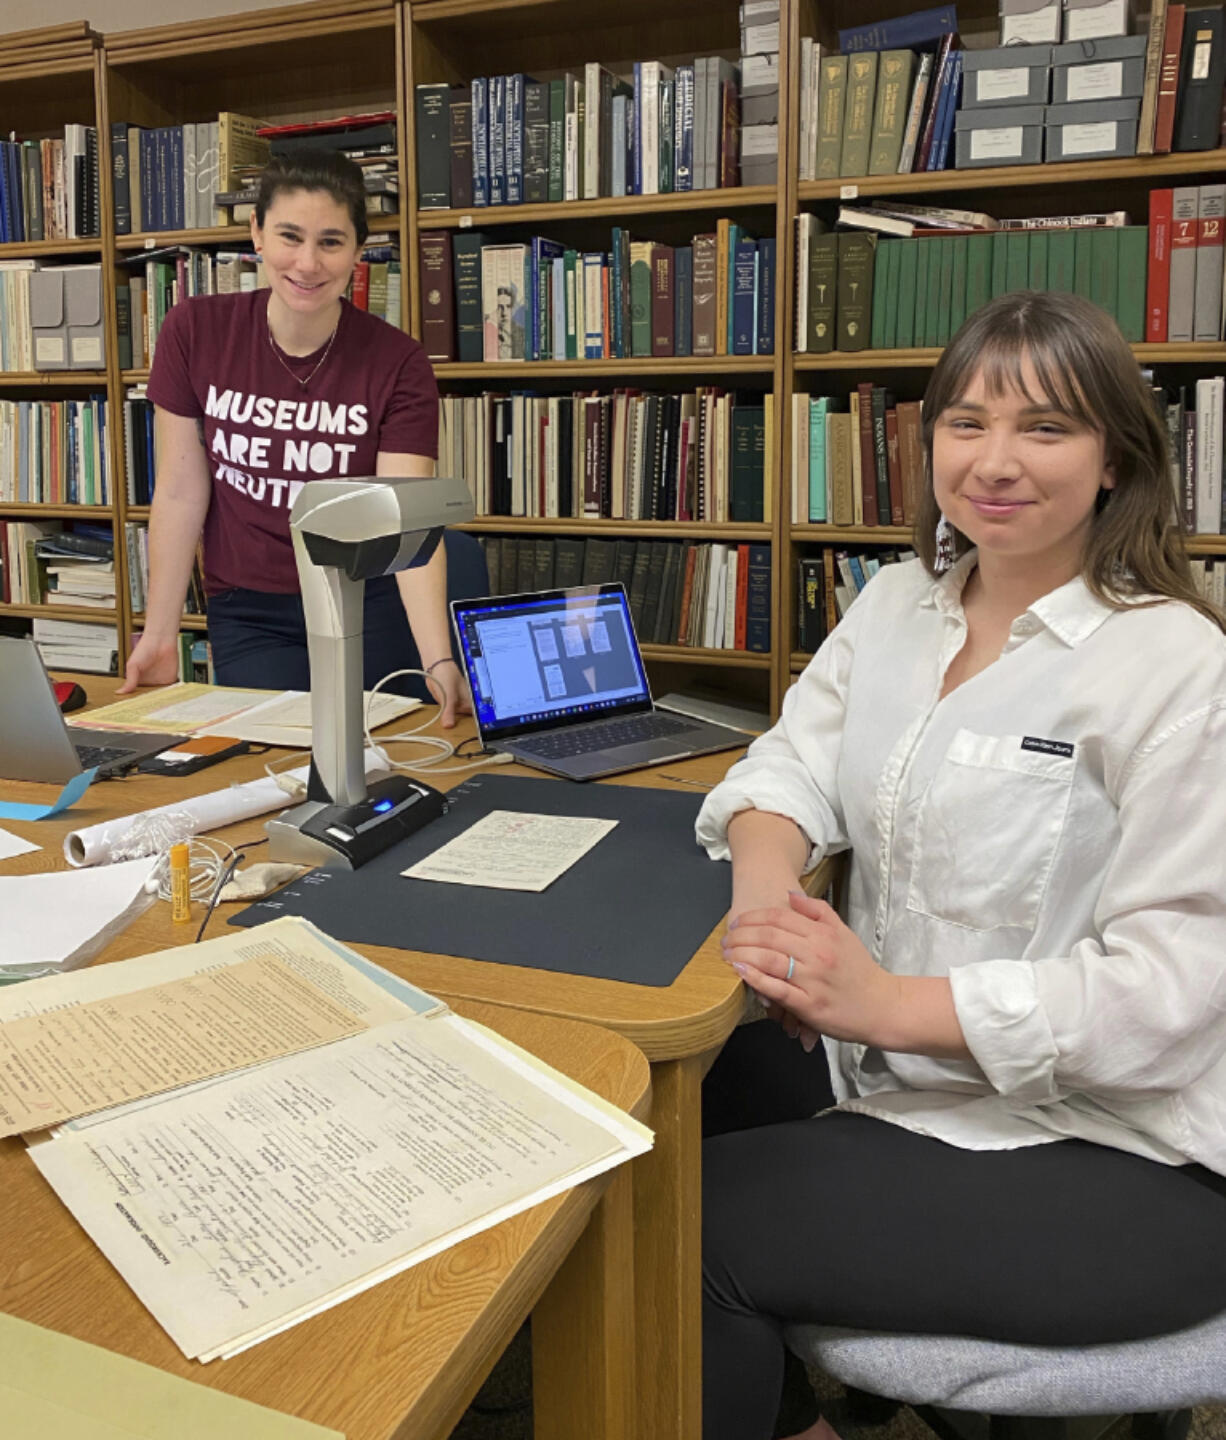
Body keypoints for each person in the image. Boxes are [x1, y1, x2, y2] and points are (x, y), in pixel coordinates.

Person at [695, 291, 1226, 1440]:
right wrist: (769, 909)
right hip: (901, 1078)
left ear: (1114, 459)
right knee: (657, 1109)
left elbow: (1168, 993)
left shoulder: (1176, 666)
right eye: (964, 422)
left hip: (1122, 1146)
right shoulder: (897, 604)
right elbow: (789, 762)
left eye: (1044, 427)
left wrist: (886, 1003)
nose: (993, 461)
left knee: (680, 1232)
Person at [117, 149, 467, 725]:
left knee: (381, 759)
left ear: (358, 250)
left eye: (331, 241)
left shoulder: (398, 361)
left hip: (366, 602)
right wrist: (158, 634)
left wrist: (438, 658)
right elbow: (180, 493)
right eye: (289, 236)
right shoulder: (194, 330)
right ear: (256, 233)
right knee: (271, 761)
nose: (307, 263)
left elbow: (407, 520)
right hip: (250, 610)